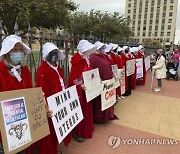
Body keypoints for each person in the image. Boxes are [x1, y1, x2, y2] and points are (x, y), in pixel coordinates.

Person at [36, 42, 71, 153]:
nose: (54, 55)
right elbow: (41, 91)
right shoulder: (43, 70)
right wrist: (45, 108)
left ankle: (54, 149)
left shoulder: (57, 67)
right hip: (50, 107)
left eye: (56, 52)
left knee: (56, 130)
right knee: (49, 133)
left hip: (59, 103)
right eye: (51, 53)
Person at [0, 35, 33, 154]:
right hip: (7, 130)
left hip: (25, 125)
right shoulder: (1, 72)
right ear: (7, 52)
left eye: (20, 50)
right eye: (15, 49)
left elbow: (30, 93)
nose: (19, 53)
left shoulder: (25, 71)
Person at [68, 40, 96, 142]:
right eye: (87, 50)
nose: (89, 52)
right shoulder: (77, 61)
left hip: (86, 89)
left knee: (86, 110)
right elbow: (74, 79)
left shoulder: (85, 59)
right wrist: (81, 84)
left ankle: (85, 129)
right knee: (80, 110)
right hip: (79, 91)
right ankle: (78, 131)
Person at [89, 42, 117, 123]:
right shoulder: (93, 58)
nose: (103, 50)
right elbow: (92, 72)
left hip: (107, 83)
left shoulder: (103, 56)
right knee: (100, 101)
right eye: (101, 48)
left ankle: (107, 115)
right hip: (100, 83)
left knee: (106, 99)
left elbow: (108, 66)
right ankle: (100, 118)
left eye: (103, 48)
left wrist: (112, 74)